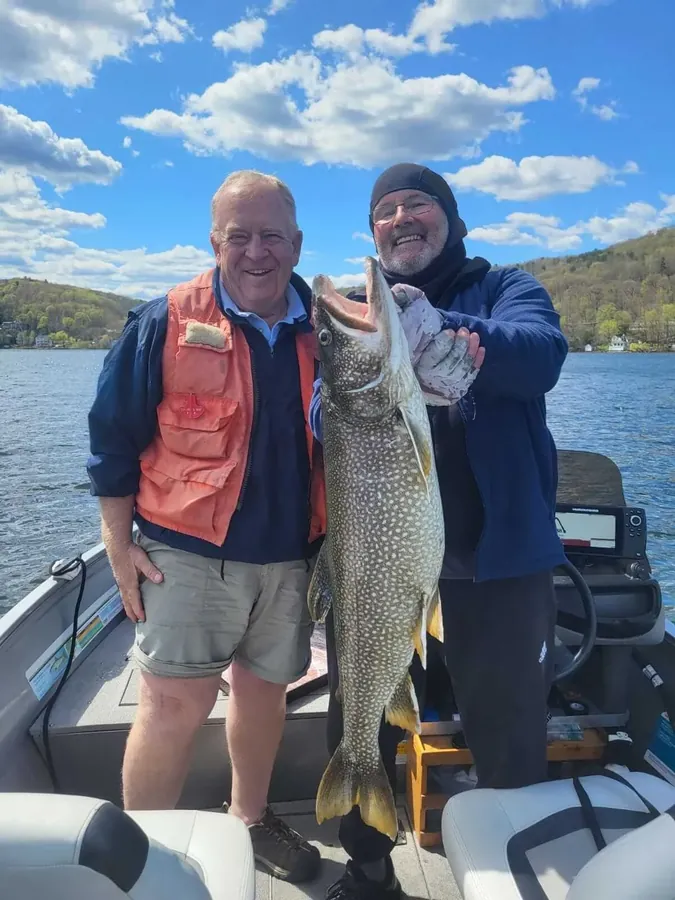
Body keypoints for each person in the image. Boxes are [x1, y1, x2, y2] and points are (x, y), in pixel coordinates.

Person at [309, 162, 569, 899]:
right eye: (383, 210)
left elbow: (538, 356)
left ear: (449, 218)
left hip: (498, 564)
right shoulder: (361, 314)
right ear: (373, 231)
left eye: (415, 203)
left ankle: (515, 859)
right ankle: (364, 868)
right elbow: (322, 407)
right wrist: (378, 365)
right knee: (362, 712)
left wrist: (439, 328)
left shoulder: (506, 289)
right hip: (379, 564)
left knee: (510, 726)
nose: (398, 218)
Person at [86, 169, 326, 885]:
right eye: (239, 236)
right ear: (214, 241)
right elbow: (111, 439)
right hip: (185, 552)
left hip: (290, 557)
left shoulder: (333, 330)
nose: (257, 252)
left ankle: (249, 820)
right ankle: (142, 857)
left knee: (264, 693)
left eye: (272, 236)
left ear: (297, 243)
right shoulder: (161, 320)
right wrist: (116, 544)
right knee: (172, 705)